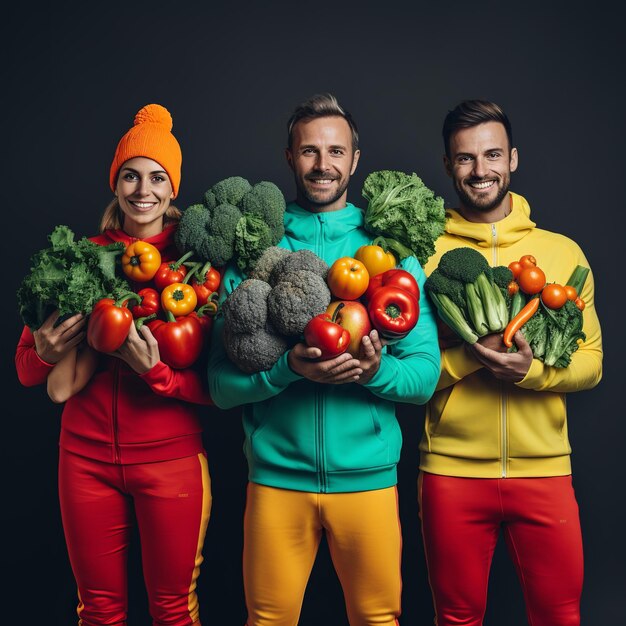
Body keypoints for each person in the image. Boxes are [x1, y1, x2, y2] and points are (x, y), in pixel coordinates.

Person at [207, 93, 440, 626]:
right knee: (266, 620)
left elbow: (425, 376)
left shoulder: (389, 250)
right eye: (309, 151)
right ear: (289, 158)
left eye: (336, 151)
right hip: (275, 480)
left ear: (355, 159)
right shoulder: (257, 246)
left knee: (379, 620)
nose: (323, 164)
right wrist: (288, 370)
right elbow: (219, 383)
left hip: (369, 480)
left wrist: (376, 372)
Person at [15, 104, 212, 626]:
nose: (142, 190)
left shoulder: (199, 267)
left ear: (173, 190)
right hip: (83, 460)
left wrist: (158, 375)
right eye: (130, 175)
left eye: (156, 177)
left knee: (172, 611)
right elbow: (26, 370)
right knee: (98, 611)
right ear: (115, 184)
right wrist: (46, 351)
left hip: (170, 462)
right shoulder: (82, 257)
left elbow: (218, 388)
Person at [418, 99, 603, 626]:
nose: (481, 171)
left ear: (514, 159)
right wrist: (473, 361)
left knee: (560, 616)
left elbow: (592, 362)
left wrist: (533, 374)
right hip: (450, 471)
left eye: (492, 155)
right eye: (465, 159)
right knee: (455, 617)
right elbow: (408, 374)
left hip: (545, 470)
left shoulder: (563, 252)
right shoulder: (425, 252)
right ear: (449, 165)